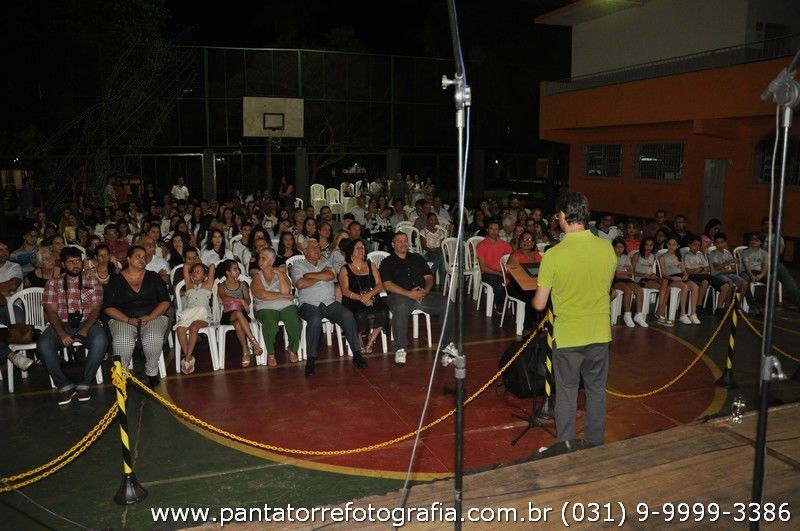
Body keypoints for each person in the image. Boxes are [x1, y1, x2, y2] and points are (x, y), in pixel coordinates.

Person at [533, 191, 617, 448]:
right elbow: (606, 288)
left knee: (567, 392)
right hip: (599, 333)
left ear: (562, 216)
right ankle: (594, 443)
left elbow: (539, 304)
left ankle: (566, 445)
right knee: (596, 391)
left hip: (569, 336)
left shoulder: (553, 255)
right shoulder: (607, 248)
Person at [38, 247, 107, 404]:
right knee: (43, 344)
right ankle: (64, 385)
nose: (76, 265)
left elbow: (96, 309)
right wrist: (61, 334)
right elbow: (51, 311)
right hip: (61, 322)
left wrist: (85, 329)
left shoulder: (93, 281)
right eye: (71, 262)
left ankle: (85, 382)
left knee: (101, 341)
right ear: (63, 264)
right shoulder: (53, 283)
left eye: (78, 261)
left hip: (88, 322)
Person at [291, 239, 368, 376]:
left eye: (318, 247)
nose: (317, 249)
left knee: (347, 315)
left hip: (329, 302)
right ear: (305, 251)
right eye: (313, 247)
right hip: (309, 304)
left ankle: (357, 354)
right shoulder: (298, 264)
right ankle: (311, 360)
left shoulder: (326, 263)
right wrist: (322, 277)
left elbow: (330, 275)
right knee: (314, 319)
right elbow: (300, 284)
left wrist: (309, 276)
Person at [379, 232, 454, 365]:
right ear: (393, 245)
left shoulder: (417, 258)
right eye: (399, 241)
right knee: (401, 306)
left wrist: (426, 290)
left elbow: (429, 277)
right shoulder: (387, 262)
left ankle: (446, 344)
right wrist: (409, 294)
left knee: (447, 303)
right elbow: (387, 285)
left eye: (405, 240)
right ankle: (400, 348)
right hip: (399, 296)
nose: (403, 243)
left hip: (421, 295)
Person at [103, 246, 171, 387]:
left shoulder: (153, 277)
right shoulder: (116, 280)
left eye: (144, 257)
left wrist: (150, 317)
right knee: (123, 341)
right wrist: (128, 320)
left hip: (153, 316)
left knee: (153, 339)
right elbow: (108, 307)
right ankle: (122, 374)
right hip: (123, 318)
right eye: (138, 256)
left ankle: (152, 371)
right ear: (128, 259)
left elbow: (165, 301)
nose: (142, 259)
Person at [251, 248, 301, 366]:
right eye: (259, 258)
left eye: (264, 258)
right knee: (269, 323)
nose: (260, 261)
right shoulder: (257, 277)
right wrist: (283, 295)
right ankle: (271, 353)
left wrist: (279, 273)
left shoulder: (280, 273)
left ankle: (292, 349)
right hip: (265, 307)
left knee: (295, 321)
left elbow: (286, 290)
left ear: (272, 261)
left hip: (285, 305)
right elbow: (262, 295)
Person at [339, 239, 390, 354]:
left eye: (362, 247)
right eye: (357, 247)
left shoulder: (371, 265)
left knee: (383, 312)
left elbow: (379, 284)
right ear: (351, 251)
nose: (361, 249)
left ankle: (372, 339)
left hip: (371, 296)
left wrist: (368, 295)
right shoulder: (345, 269)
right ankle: (358, 337)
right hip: (353, 299)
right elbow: (345, 291)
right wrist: (361, 298)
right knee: (360, 315)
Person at [216, 260, 263, 367]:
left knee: (238, 323)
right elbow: (224, 298)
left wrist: (244, 302)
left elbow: (248, 299)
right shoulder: (222, 285)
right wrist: (240, 300)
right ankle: (253, 342)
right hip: (228, 314)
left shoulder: (242, 284)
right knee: (237, 313)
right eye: (235, 269)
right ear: (228, 272)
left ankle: (245, 352)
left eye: (238, 268)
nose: (238, 271)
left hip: (241, 313)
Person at [175, 261, 216, 374]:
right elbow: (186, 266)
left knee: (194, 327)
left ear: (205, 275)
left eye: (198, 271)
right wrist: (193, 268)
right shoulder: (189, 285)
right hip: (189, 315)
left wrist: (200, 264)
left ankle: (187, 358)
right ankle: (189, 357)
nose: (195, 273)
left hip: (203, 315)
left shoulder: (208, 284)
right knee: (180, 329)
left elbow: (212, 266)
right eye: (193, 271)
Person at [708, 233, 759, 315]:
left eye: (722, 242)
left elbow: (734, 269)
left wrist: (726, 268)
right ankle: (728, 307)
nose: (720, 244)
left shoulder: (727, 253)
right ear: (714, 243)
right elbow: (717, 268)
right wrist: (729, 263)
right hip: (717, 275)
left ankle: (737, 305)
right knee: (730, 283)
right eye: (717, 242)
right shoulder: (713, 253)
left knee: (744, 283)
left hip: (728, 274)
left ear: (725, 243)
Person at [506, 230, 543, 334]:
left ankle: (543, 322)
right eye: (524, 239)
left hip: (534, 285)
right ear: (520, 242)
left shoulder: (537, 255)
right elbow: (510, 273)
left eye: (530, 239)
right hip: (514, 285)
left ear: (533, 243)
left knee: (546, 294)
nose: (527, 242)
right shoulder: (515, 255)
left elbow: (543, 271)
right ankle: (527, 327)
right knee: (530, 298)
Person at [475, 220, 512, 314]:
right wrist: (499, 274)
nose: (494, 231)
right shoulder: (481, 245)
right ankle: (498, 303)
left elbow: (510, 261)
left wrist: (506, 274)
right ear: (487, 230)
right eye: (491, 229)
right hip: (488, 273)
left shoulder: (504, 244)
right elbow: (483, 267)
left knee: (514, 285)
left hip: (502, 272)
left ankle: (510, 304)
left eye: (496, 229)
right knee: (499, 287)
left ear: (499, 230)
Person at [610, 236, 648, 328]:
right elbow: (614, 274)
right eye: (617, 247)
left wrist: (621, 272)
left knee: (639, 290)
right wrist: (624, 272)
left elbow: (631, 273)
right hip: (615, 280)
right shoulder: (610, 256)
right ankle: (627, 314)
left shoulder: (625, 257)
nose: (619, 249)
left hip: (626, 278)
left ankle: (638, 315)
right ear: (613, 247)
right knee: (628, 290)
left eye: (621, 247)